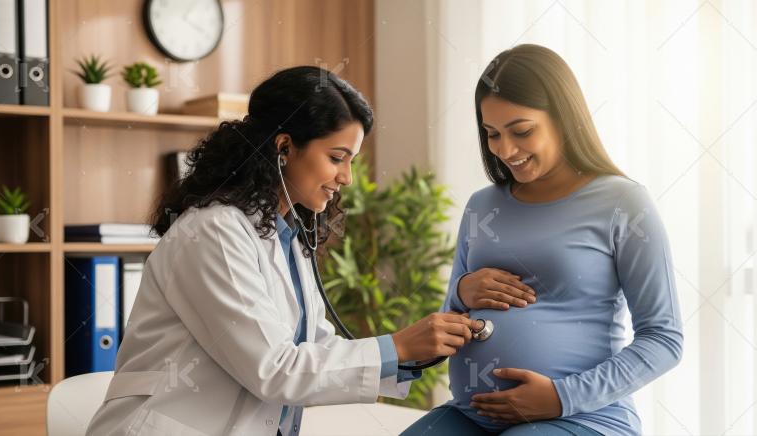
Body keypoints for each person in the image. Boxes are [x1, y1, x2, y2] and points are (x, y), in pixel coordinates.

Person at [85, 66, 492, 436]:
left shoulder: (287, 235)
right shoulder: (213, 232)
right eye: (337, 158)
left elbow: (314, 348)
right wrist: (398, 345)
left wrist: (414, 353)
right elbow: (274, 369)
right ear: (284, 148)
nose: (347, 177)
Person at [402, 44, 684, 436]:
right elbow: (449, 319)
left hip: (583, 418)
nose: (505, 150)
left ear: (564, 118)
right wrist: (464, 293)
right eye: (492, 134)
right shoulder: (482, 206)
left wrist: (562, 397)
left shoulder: (623, 203)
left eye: (522, 131)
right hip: (471, 416)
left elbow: (664, 339)